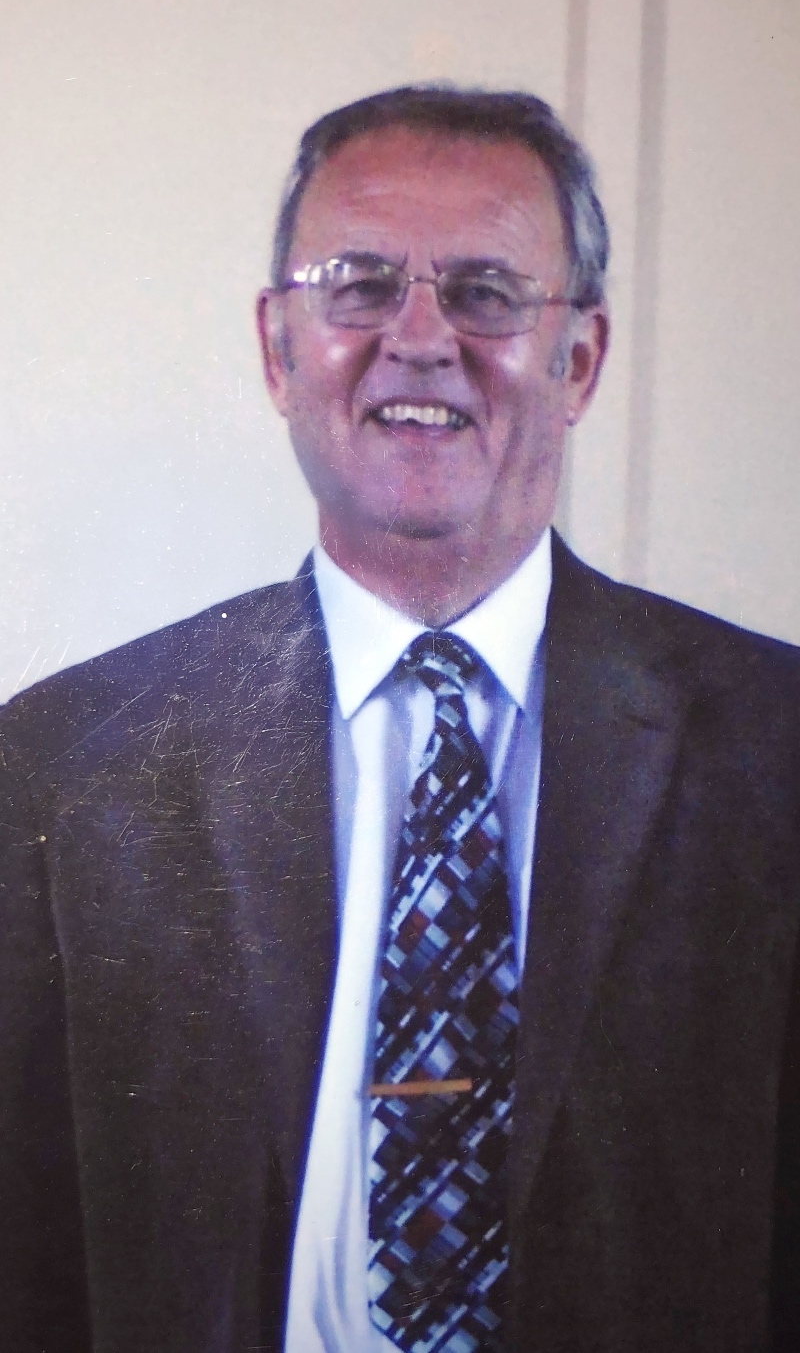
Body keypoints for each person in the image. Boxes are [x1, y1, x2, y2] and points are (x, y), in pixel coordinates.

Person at [1, 85, 798, 1353]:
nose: (418, 337)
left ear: (578, 359)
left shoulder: (775, 748)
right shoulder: (62, 767)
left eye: (484, 290)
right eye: (358, 283)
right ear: (277, 347)